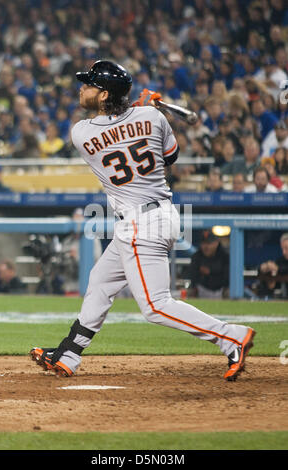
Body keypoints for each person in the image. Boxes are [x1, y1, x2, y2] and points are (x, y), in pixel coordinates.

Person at [30, 60, 255, 382]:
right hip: (156, 214)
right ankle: (68, 354)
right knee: (100, 283)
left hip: (141, 223)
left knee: (155, 306)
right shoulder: (153, 116)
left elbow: (114, 128)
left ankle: (231, 336)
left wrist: (137, 108)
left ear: (105, 94)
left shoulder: (80, 132)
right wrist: (143, 110)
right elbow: (170, 156)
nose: (82, 88)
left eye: (89, 84)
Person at [189, 230, 229, 299]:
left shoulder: (224, 256)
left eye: (209, 243)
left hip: (221, 290)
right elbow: (193, 277)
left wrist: (210, 272)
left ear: (216, 243)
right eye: (203, 243)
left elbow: (227, 278)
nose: (206, 246)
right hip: (202, 290)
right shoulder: (196, 256)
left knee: (230, 292)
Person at [257, 233, 288, 299]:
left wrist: (278, 269)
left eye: (286, 248)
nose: (284, 252)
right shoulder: (281, 260)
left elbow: (283, 269)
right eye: (282, 249)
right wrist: (264, 268)